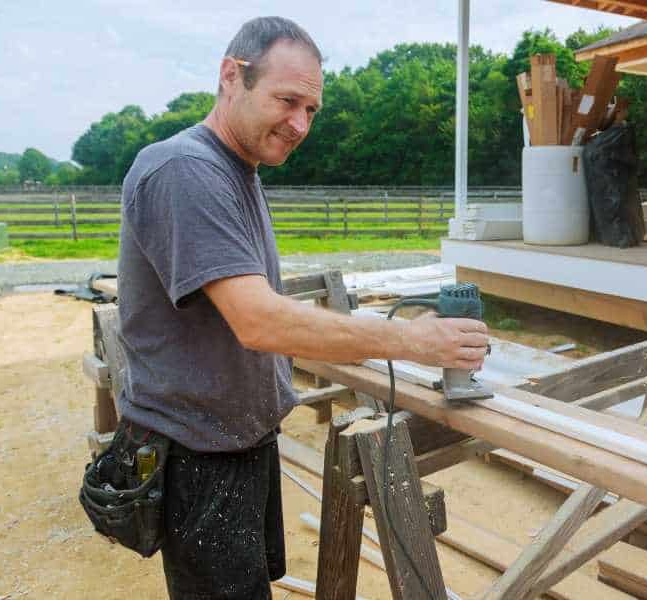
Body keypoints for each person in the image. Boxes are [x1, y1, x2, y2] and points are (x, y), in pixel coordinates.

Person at [113, 16, 488, 599]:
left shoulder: (239, 171)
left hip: (236, 442)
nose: (299, 124)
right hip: (198, 456)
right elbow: (259, 320)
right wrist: (415, 342)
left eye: (311, 110)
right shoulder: (185, 170)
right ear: (231, 76)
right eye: (287, 101)